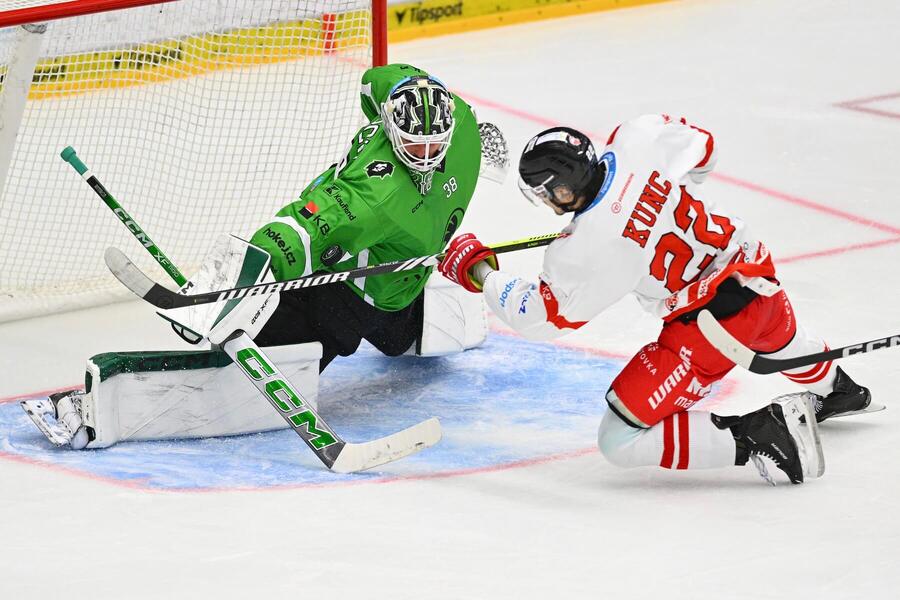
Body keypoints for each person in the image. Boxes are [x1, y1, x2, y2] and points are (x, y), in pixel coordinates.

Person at [26, 63, 507, 450]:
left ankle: (108, 409)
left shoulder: (375, 195)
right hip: (400, 278)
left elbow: (296, 233)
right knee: (392, 321)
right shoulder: (460, 127)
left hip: (348, 296)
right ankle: (419, 322)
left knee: (272, 354)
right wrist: (234, 280)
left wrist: (223, 293)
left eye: (432, 143)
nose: (424, 152)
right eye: (413, 140)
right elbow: (376, 85)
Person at [438, 115, 875, 484]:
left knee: (619, 439)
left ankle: (759, 433)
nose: (546, 202)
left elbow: (540, 318)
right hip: (754, 269)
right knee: (779, 338)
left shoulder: (591, 249)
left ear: (564, 190)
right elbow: (704, 153)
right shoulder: (637, 137)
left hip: (711, 329)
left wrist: (479, 270)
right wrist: (654, 203)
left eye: (545, 193)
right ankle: (840, 390)